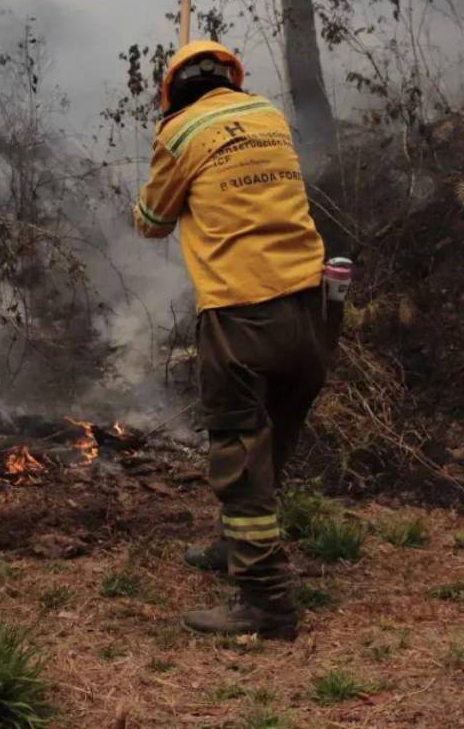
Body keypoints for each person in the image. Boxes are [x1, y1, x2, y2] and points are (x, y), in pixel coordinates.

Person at [133, 39, 329, 641]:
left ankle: (266, 603)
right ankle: (233, 546)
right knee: (274, 440)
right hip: (313, 308)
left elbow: (151, 221)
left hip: (242, 313)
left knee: (240, 457)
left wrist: (168, 146)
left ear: (172, 94)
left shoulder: (181, 134)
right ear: (233, 80)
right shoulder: (269, 116)